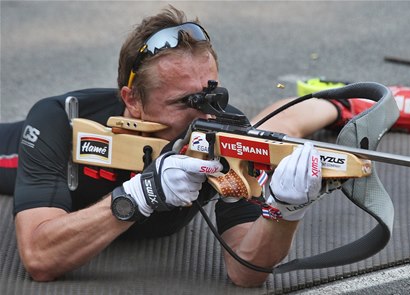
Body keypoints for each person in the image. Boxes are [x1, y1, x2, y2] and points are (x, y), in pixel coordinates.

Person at [0, 5, 372, 287]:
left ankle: (334, 102)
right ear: (132, 99)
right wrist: (141, 194)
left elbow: (247, 271)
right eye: (185, 103)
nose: (206, 116)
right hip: (13, 153)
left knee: (269, 131)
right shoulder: (59, 119)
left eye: (212, 96)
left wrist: (283, 213)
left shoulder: (224, 128)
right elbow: (39, 257)